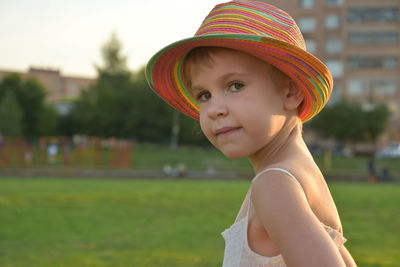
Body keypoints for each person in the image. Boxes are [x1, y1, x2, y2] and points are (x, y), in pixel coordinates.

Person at [146, 1, 356, 266]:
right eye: (204, 95)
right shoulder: (298, 178)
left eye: (235, 85)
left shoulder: (274, 184)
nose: (214, 110)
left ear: (291, 92)